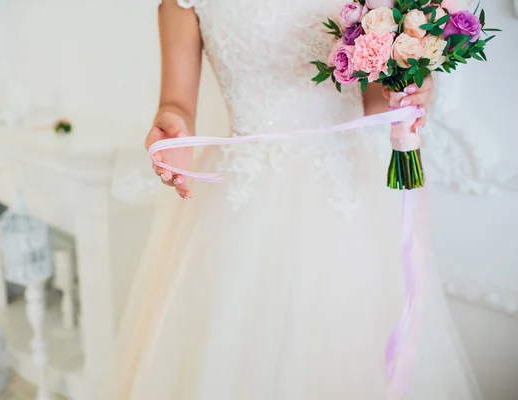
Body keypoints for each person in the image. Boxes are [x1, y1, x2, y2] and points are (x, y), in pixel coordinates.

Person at [106, 0, 482, 398]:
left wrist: (412, 88)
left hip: (347, 199)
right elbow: (176, 103)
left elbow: (375, 99)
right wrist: (175, 131)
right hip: (241, 203)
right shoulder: (182, 4)